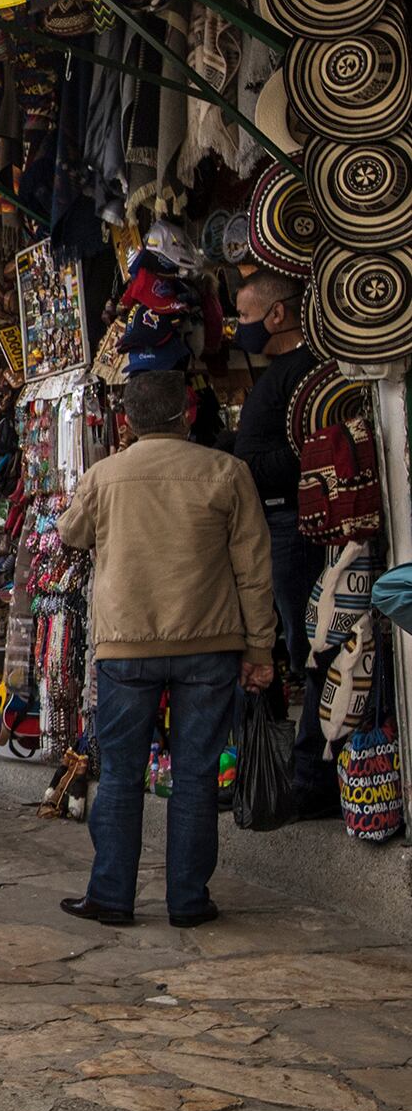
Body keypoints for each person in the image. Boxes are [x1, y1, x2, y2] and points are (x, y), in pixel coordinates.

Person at [56, 369, 276, 928]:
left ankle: (110, 895)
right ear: (188, 412)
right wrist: (261, 649)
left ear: (127, 420)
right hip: (211, 643)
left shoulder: (105, 475)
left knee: (123, 774)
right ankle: (188, 899)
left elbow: (70, 534)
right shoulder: (227, 472)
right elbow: (254, 572)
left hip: (127, 646)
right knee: (197, 777)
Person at [230, 270, 336, 819]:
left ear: (277, 315)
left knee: (307, 648)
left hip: (294, 528)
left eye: (245, 318)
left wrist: (243, 463)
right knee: (287, 648)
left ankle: (312, 774)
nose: (239, 329)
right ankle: (293, 768)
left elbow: (307, 458)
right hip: (278, 527)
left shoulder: (302, 376)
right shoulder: (284, 375)